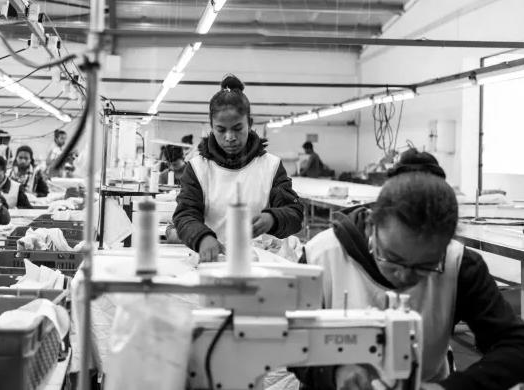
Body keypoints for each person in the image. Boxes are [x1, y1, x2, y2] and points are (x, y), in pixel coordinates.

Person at [295, 149, 524, 390]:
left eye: (425, 266)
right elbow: (294, 340)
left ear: (445, 246)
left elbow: (515, 345)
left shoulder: (459, 264)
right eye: (392, 259)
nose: (404, 276)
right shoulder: (321, 256)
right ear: (372, 225)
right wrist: (335, 372)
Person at [172, 74, 305, 262]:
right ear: (211, 127)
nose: (230, 137)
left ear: (249, 124)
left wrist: (273, 219)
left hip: (260, 265)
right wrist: (201, 237)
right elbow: (185, 214)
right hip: (214, 262)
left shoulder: (271, 167)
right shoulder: (197, 168)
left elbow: (294, 213)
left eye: (237, 128)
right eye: (221, 130)